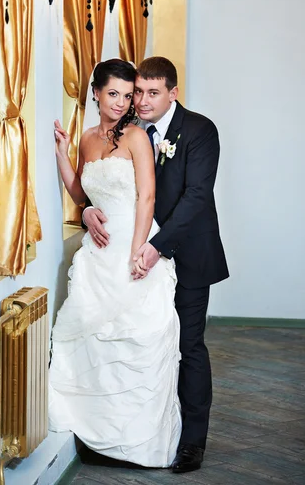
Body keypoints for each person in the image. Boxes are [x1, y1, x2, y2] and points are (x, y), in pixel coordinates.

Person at [83, 56, 229, 474]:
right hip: (138, 256)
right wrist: (86, 213)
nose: (141, 101)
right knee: (143, 345)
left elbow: (197, 197)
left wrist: (156, 246)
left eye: (150, 93)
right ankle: (139, 433)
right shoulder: (124, 132)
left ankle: (192, 443)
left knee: (188, 346)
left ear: (172, 93)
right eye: (137, 92)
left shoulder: (200, 130)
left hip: (186, 255)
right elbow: (107, 190)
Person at [49, 58, 182, 468]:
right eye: (114, 94)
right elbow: (79, 192)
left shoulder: (138, 138)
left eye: (129, 96)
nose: (123, 103)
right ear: (95, 93)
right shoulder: (87, 139)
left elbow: (146, 197)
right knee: (93, 339)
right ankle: (98, 436)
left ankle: (139, 444)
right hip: (98, 251)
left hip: (131, 244)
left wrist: (138, 252)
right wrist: (60, 154)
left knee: (137, 336)